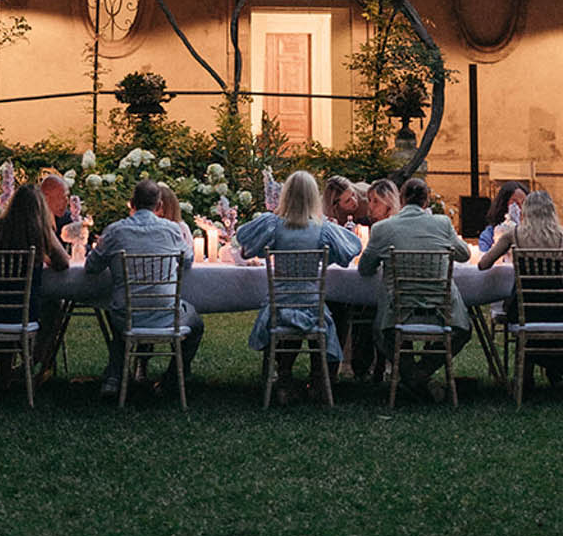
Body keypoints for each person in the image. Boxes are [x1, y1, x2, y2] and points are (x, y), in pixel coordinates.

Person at [234, 170, 360, 400]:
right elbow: (350, 251)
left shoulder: (274, 224)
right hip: (312, 309)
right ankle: (320, 380)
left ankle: (284, 377)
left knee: (288, 311)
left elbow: (244, 244)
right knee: (332, 311)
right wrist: (325, 257)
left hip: (279, 306)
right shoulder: (323, 229)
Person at [84, 177, 203, 398]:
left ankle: (115, 376)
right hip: (166, 315)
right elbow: (187, 260)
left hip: (125, 316)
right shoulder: (172, 230)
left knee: (116, 310)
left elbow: (91, 267)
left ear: (132, 203)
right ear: (159, 206)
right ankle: (173, 379)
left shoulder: (115, 231)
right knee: (196, 322)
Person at [358, 176, 473, 387]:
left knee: (381, 332)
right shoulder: (442, 223)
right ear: (426, 201)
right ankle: (422, 373)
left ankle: (413, 375)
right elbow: (464, 254)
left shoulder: (382, 229)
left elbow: (364, 269)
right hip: (441, 311)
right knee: (463, 330)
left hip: (397, 313)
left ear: (400, 200)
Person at [480, 189, 563, 384]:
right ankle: (551, 368)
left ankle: (528, 377)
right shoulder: (562, 238)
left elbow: (483, 264)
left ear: (525, 212)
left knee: (520, 310)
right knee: (538, 312)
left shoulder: (514, 236)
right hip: (557, 311)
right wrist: (562, 258)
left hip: (522, 311)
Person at [0, 182, 71, 383]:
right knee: (53, 307)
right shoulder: (38, 232)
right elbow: (63, 262)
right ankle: (33, 362)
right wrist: (47, 235)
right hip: (22, 313)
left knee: (6, 303)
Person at [476, 179, 528, 257]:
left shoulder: (533, 232)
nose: (520, 208)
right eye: (515, 203)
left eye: (524, 203)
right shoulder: (489, 234)